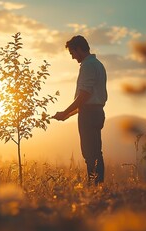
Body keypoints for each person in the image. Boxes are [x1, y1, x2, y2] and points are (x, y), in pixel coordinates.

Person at [53, 35, 108, 186]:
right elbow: (88, 98)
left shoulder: (87, 66)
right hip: (96, 112)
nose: (72, 57)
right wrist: (67, 115)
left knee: (90, 153)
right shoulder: (98, 65)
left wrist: (65, 112)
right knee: (96, 151)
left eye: (72, 53)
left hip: (89, 114)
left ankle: (94, 186)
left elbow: (85, 95)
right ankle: (98, 185)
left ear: (78, 49)